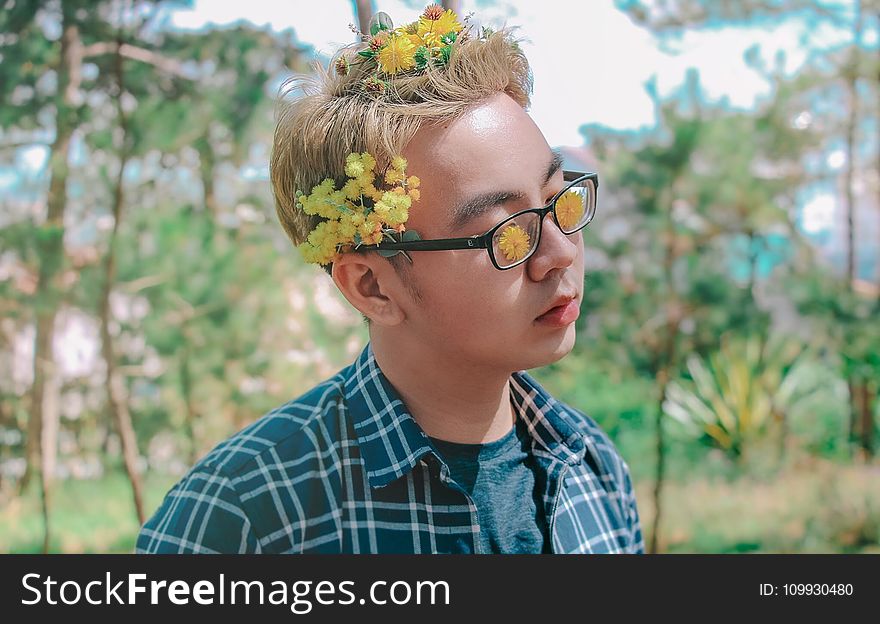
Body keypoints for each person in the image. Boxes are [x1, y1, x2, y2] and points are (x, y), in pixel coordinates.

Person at [136, 4, 644, 554]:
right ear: (372, 286)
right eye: (507, 234)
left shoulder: (593, 470)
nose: (559, 254)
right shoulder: (244, 516)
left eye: (557, 201)